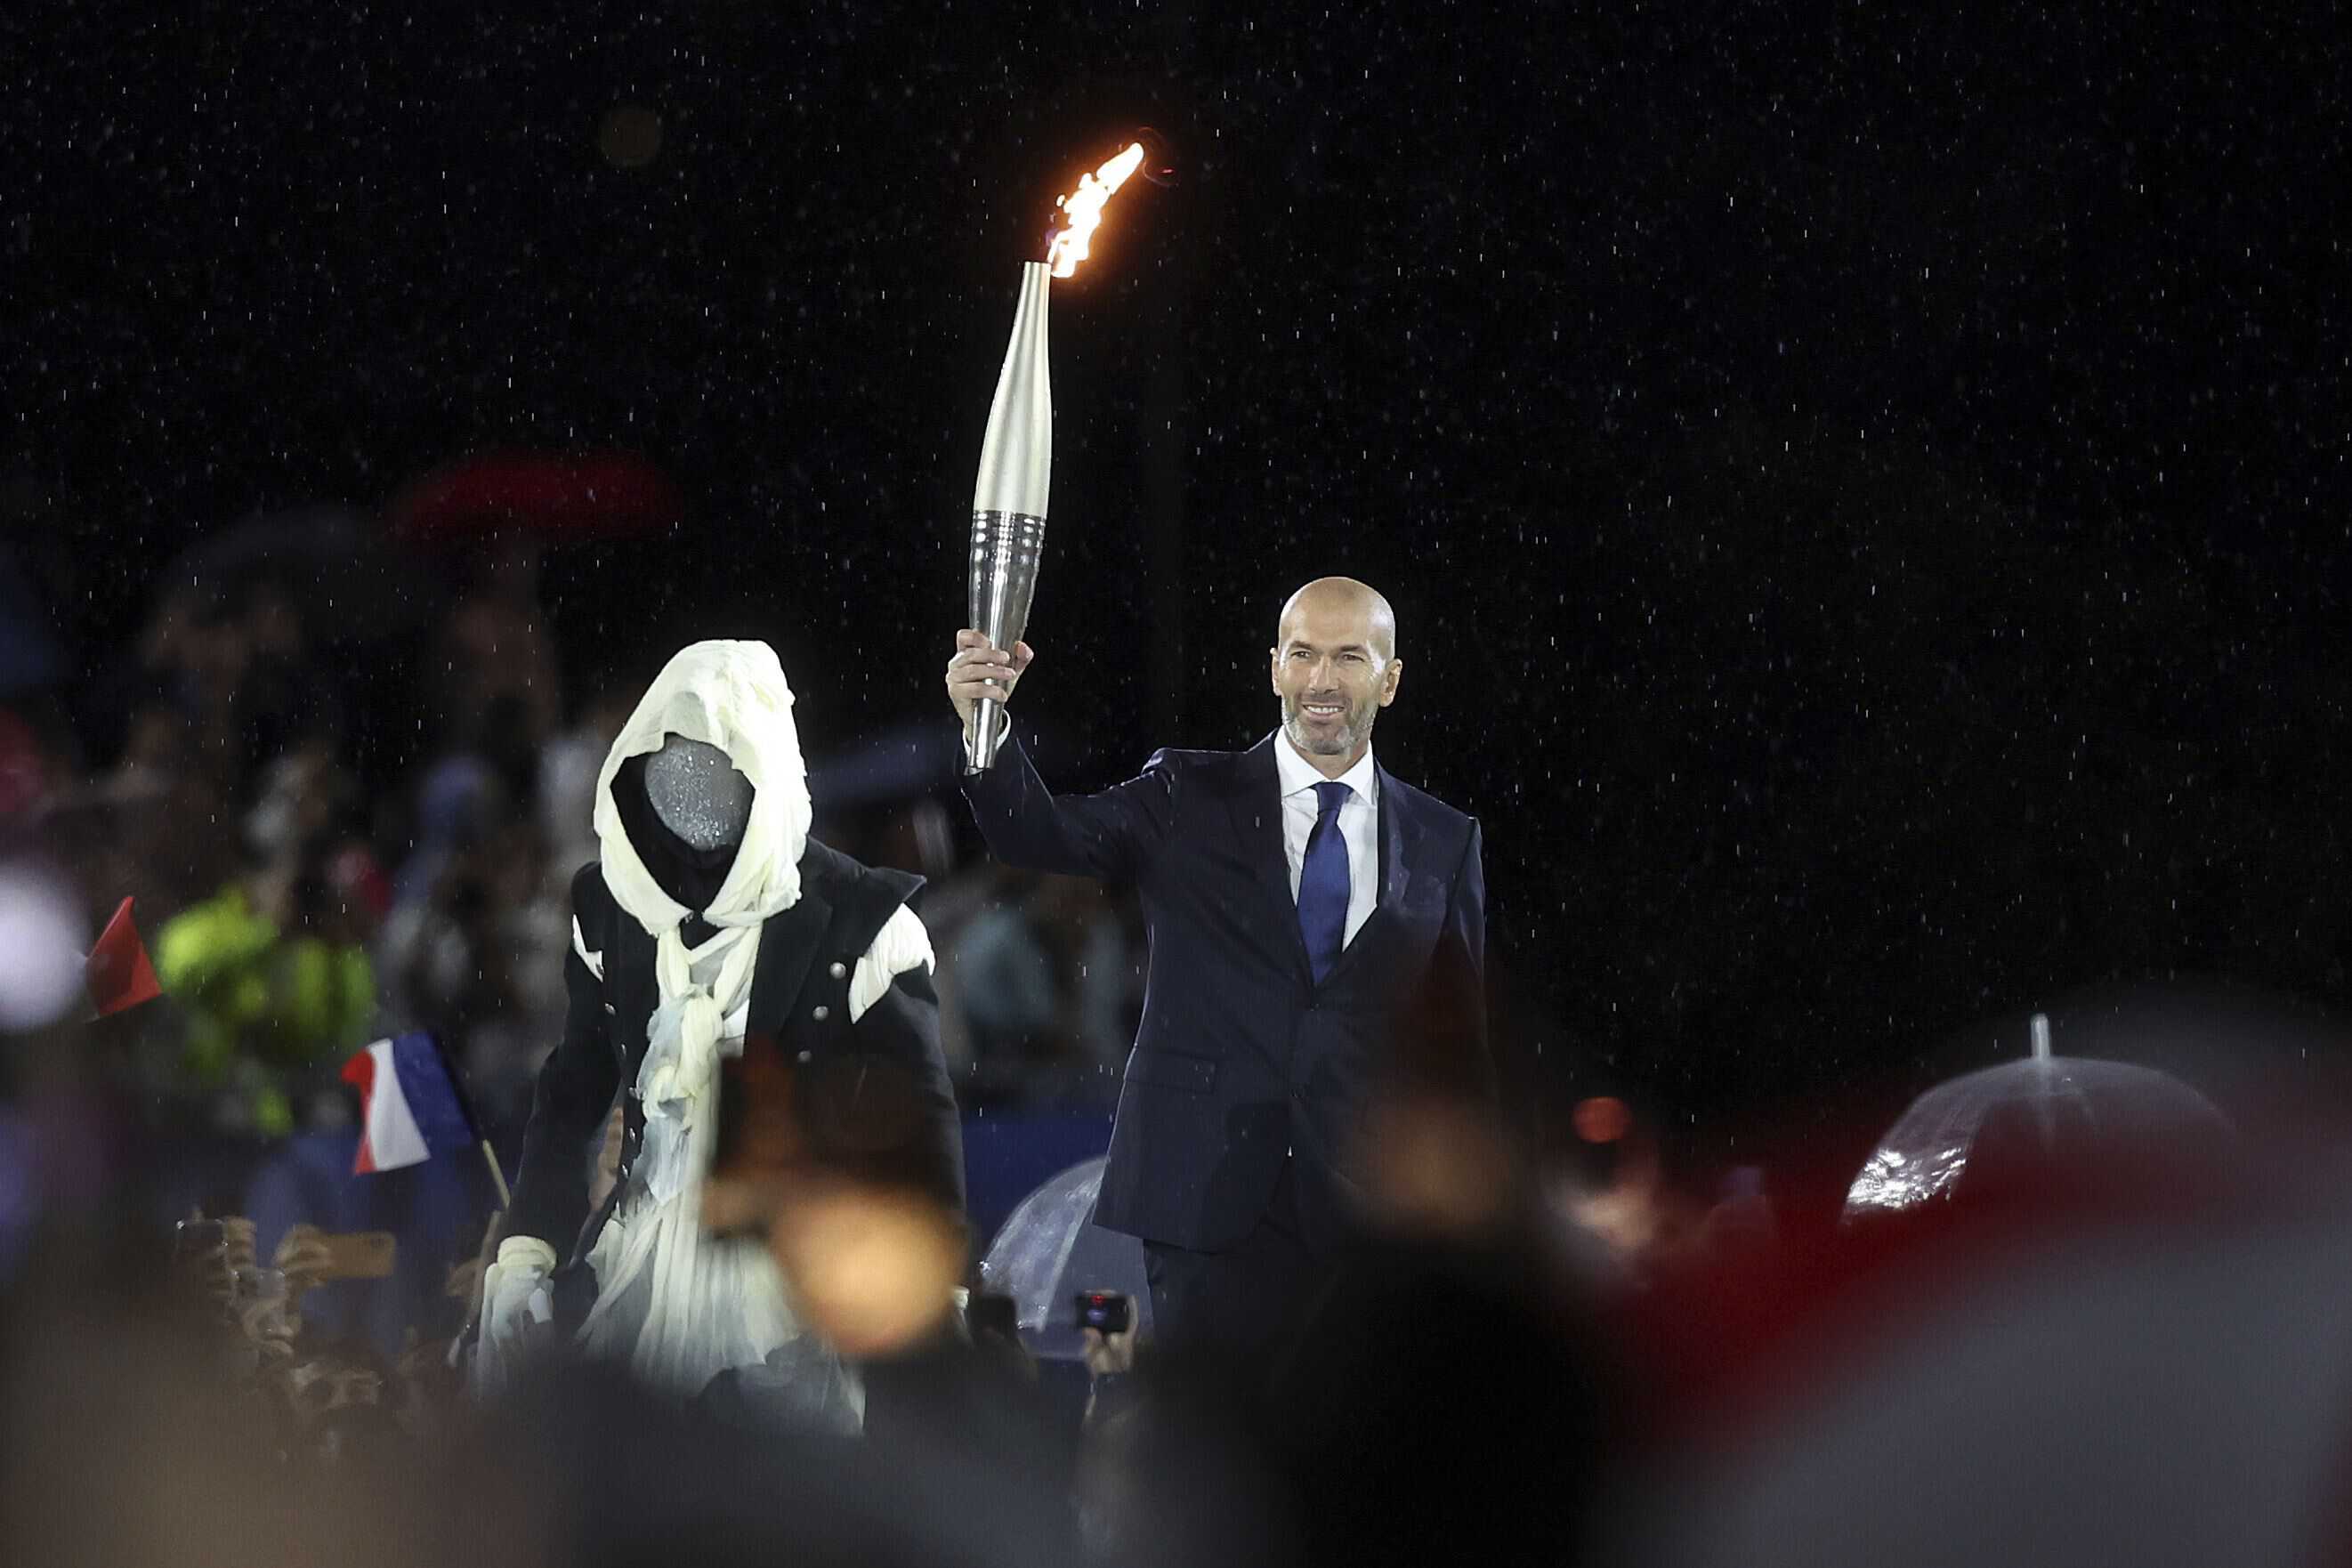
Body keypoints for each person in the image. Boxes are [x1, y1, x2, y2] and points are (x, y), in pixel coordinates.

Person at [945, 578, 1489, 1362]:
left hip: (1367, 1217)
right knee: (1217, 1459)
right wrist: (985, 725)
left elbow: (1460, 1050)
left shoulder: (1445, 840)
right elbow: (1038, 835)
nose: (1321, 681)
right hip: (1203, 1195)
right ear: (1273, 667)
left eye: (1348, 658)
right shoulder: (1186, 795)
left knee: (1341, 1458)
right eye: (1301, 655)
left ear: (1391, 678)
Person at [474, 641, 964, 1427]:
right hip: (631, 1273)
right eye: (670, 769)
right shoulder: (612, 906)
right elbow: (571, 1091)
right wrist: (527, 1247)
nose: (690, 794)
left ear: (763, 774)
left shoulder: (862, 922)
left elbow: (919, 1123)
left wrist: (932, 1291)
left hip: (792, 1291)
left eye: (715, 769)